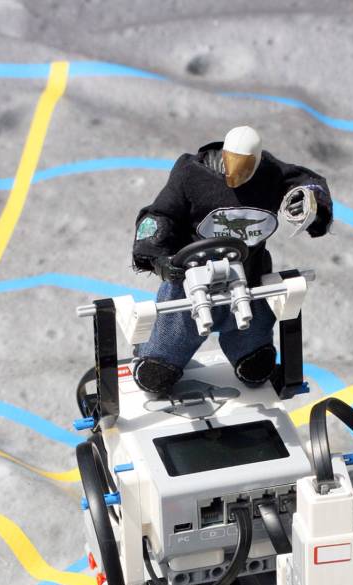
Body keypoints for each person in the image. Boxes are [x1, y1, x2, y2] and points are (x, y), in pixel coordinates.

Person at [131, 125, 332, 393]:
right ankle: (159, 359)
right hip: (191, 283)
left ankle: (250, 353)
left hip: (247, 279)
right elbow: (160, 214)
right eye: (232, 165)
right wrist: (157, 257)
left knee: (252, 334)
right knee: (172, 339)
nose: (236, 176)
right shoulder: (191, 173)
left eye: (246, 168)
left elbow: (310, 183)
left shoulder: (272, 174)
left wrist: (310, 204)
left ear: (258, 162)